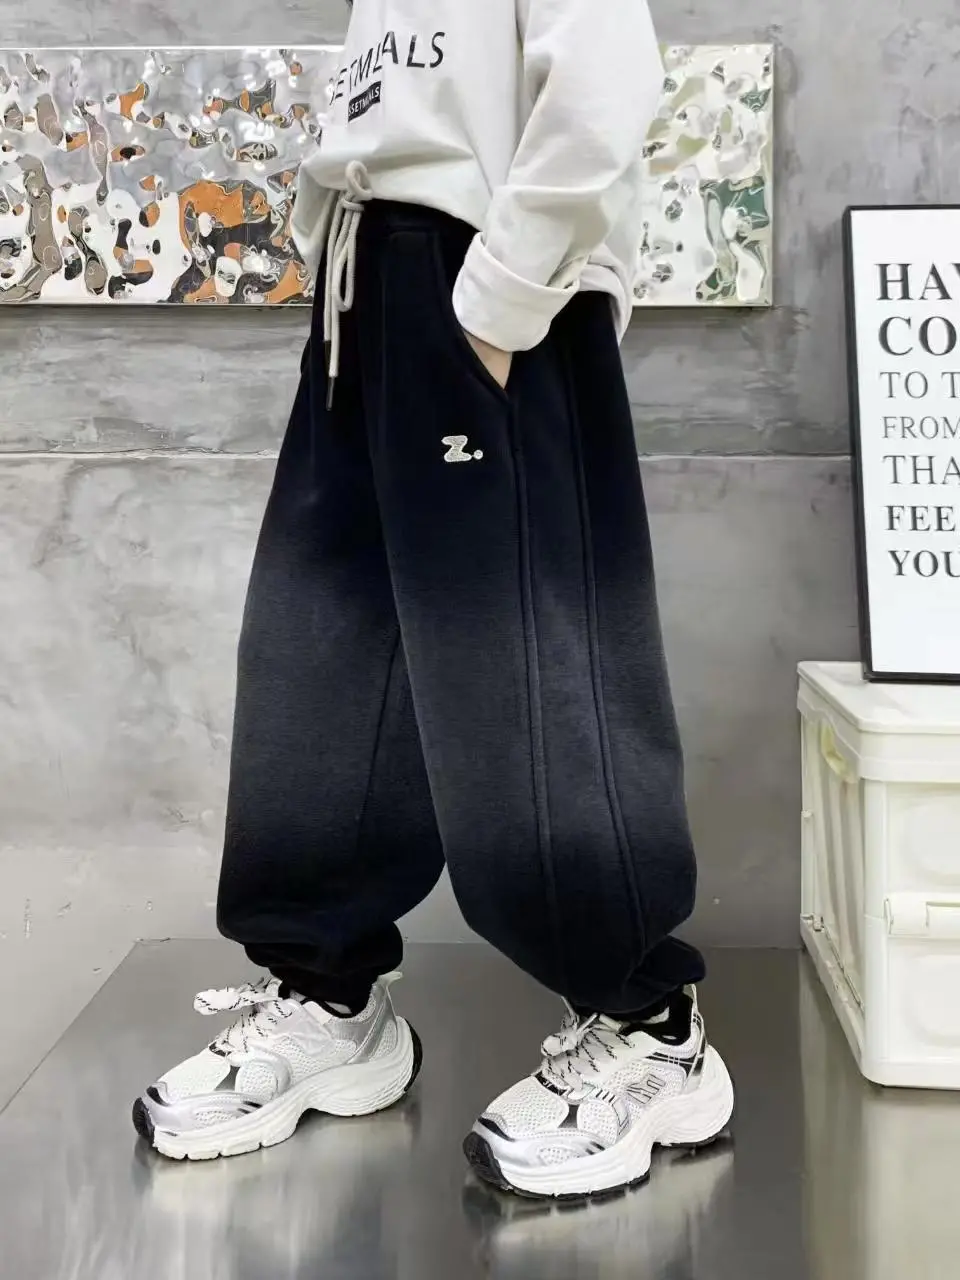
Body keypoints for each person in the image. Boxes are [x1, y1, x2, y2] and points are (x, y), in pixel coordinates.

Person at [132, 0, 734, 1197]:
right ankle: (330, 995)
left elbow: (604, 80)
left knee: (533, 667)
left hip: (476, 285)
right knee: (320, 654)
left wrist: (499, 302)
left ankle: (651, 1031)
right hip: (367, 291)